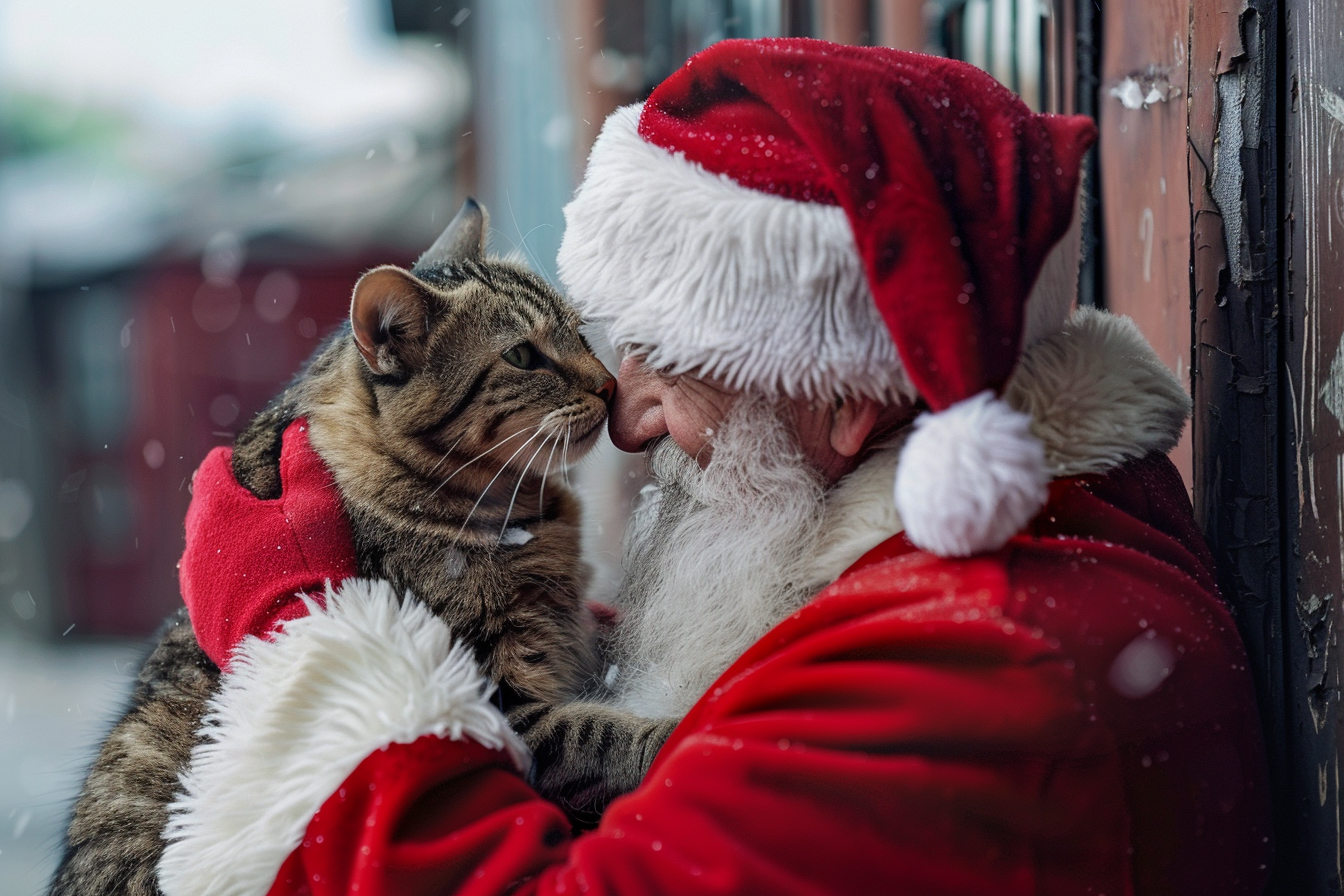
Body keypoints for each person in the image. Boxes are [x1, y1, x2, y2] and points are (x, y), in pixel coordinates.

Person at [156, 39, 1272, 896]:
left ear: (847, 396)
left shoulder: (973, 670)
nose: (623, 419)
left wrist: (303, 630)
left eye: (666, 364)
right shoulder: (1016, 551)